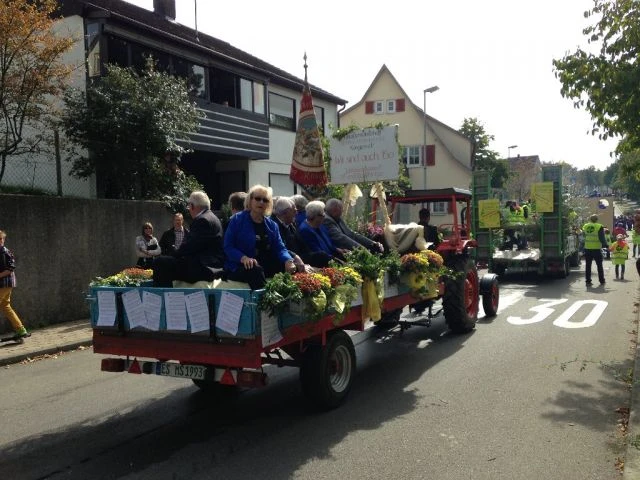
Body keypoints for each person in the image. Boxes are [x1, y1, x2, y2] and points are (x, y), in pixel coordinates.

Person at [224, 185, 296, 290]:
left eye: (265, 200)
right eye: (257, 199)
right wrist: (243, 258)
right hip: (240, 265)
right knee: (255, 269)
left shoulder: (272, 225)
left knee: (291, 267)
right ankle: (266, 298)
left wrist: (288, 260)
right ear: (250, 200)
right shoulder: (237, 220)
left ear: (269, 204)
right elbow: (228, 247)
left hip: (263, 263)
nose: (261, 202)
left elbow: (280, 248)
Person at [153, 191, 225, 287]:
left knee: (160, 262)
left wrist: (173, 255)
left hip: (204, 268)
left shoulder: (202, 220)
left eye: (189, 206)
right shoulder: (214, 218)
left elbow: (189, 247)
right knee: (169, 262)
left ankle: (164, 295)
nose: (189, 209)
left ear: (192, 206)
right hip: (212, 265)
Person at [272, 197, 331, 268]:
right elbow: (281, 248)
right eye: (294, 211)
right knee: (322, 256)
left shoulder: (290, 224)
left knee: (321, 255)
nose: (296, 213)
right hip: (288, 259)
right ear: (285, 213)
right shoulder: (274, 225)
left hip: (299, 256)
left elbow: (302, 244)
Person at [0, 230, 29, 339]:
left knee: (5, 306)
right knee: (5, 306)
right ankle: (20, 329)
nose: (0, 241)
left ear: (3, 240)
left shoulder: (5, 252)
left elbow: (10, 268)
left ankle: (21, 329)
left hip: (5, 283)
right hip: (4, 284)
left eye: (1, 239)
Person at [582, 214, 608, 286]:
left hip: (587, 248)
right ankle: (601, 280)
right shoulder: (599, 226)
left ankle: (588, 281)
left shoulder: (585, 226)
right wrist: (606, 245)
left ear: (590, 219)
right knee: (599, 265)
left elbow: (583, 236)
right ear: (597, 219)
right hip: (596, 249)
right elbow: (602, 237)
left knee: (588, 265)